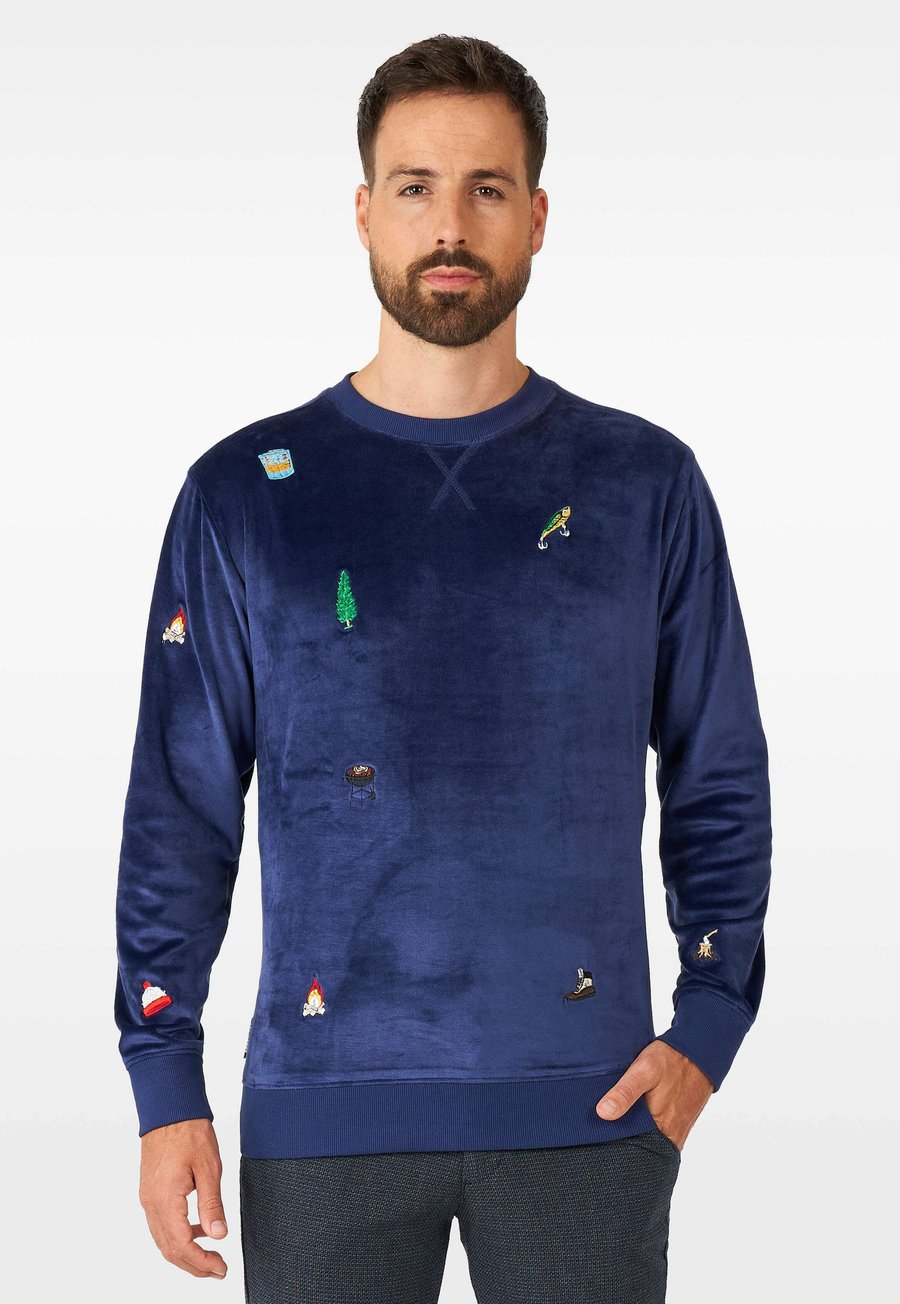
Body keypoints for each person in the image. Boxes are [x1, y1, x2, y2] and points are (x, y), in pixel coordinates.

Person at [114, 32, 772, 1304]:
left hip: (593, 1111)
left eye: (487, 188)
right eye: (415, 187)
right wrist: (162, 1080)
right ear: (365, 210)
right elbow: (178, 807)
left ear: (538, 217)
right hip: (323, 1115)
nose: (451, 225)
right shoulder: (245, 495)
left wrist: (709, 1024)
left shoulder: (645, 485)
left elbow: (719, 774)